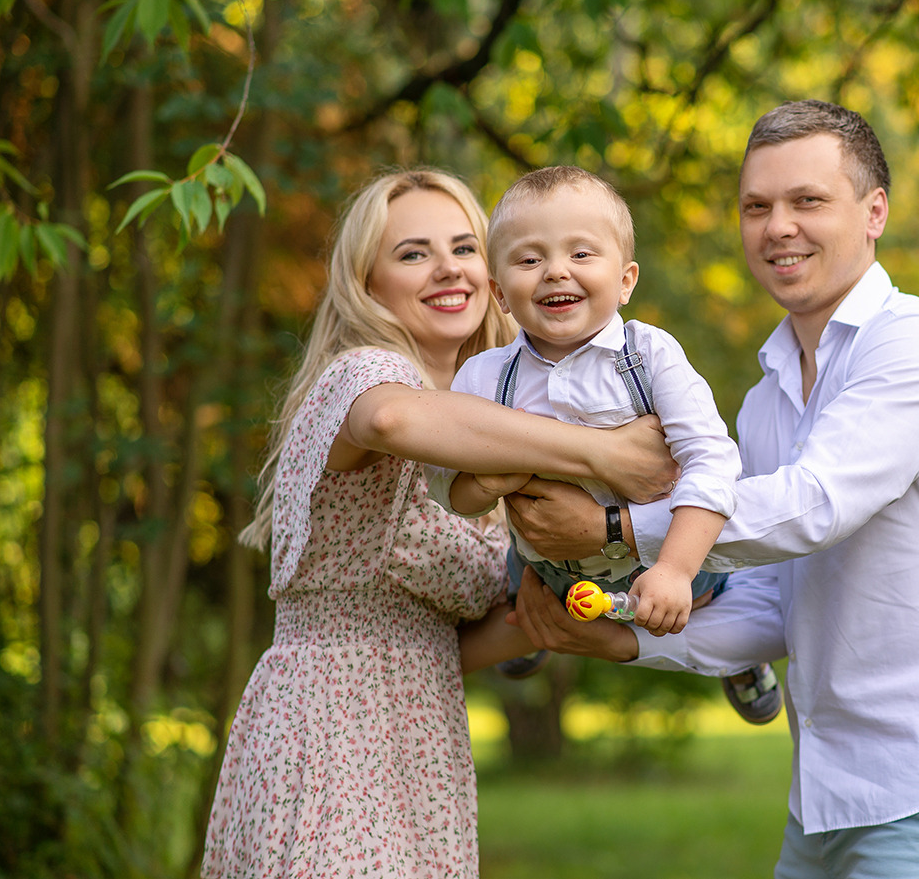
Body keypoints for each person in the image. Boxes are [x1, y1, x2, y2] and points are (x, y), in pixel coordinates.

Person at [508, 102, 919, 879]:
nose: (777, 226)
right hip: (827, 797)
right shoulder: (763, 402)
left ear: (874, 212)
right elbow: (768, 606)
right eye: (756, 206)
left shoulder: (917, 346)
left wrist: (612, 527)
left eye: (807, 201)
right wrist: (621, 637)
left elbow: (814, 505)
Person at [199, 168, 677, 879]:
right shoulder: (360, 373)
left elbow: (444, 640)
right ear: (368, 283)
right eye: (414, 252)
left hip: (423, 741)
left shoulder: (495, 416)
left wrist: (545, 614)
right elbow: (391, 418)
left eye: (463, 246)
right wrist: (603, 449)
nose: (447, 266)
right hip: (328, 731)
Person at [427, 165, 781, 722]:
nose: (555, 272)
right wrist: (486, 481)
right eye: (529, 259)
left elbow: (712, 461)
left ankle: (736, 657)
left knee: (717, 589)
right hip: (548, 563)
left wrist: (675, 571)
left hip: (659, 563)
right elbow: (449, 493)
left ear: (626, 280)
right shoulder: (483, 377)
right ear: (498, 292)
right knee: (513, 569)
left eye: (582, 254)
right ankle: (535, 621)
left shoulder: (648, 358)